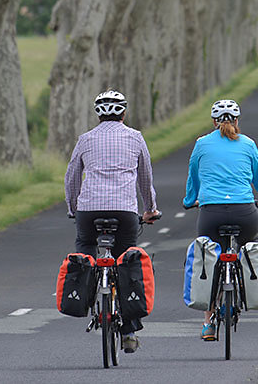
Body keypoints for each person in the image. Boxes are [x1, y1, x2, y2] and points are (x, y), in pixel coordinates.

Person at [65, 89, 161, 354]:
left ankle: (83, 290)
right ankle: (129, 330)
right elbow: (145, 178)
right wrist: (150, 209)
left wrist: (73, 208)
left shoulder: (85, 140)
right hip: (124, 212)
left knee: (84, 247)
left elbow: (72, 177)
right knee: (126, 260)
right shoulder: (135, 137)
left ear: (97, 113)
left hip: (89, 211)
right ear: (124, 112)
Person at [182, 98, 258, 341]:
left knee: (208, 257)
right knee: (248, 248)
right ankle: (244, 288)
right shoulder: (248, 144)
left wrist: (190, 199)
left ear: (214, 122)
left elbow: (194, 177)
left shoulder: (201, 144)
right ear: (237, 121)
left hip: (211, 214)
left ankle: (207, 323)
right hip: (245, 212)